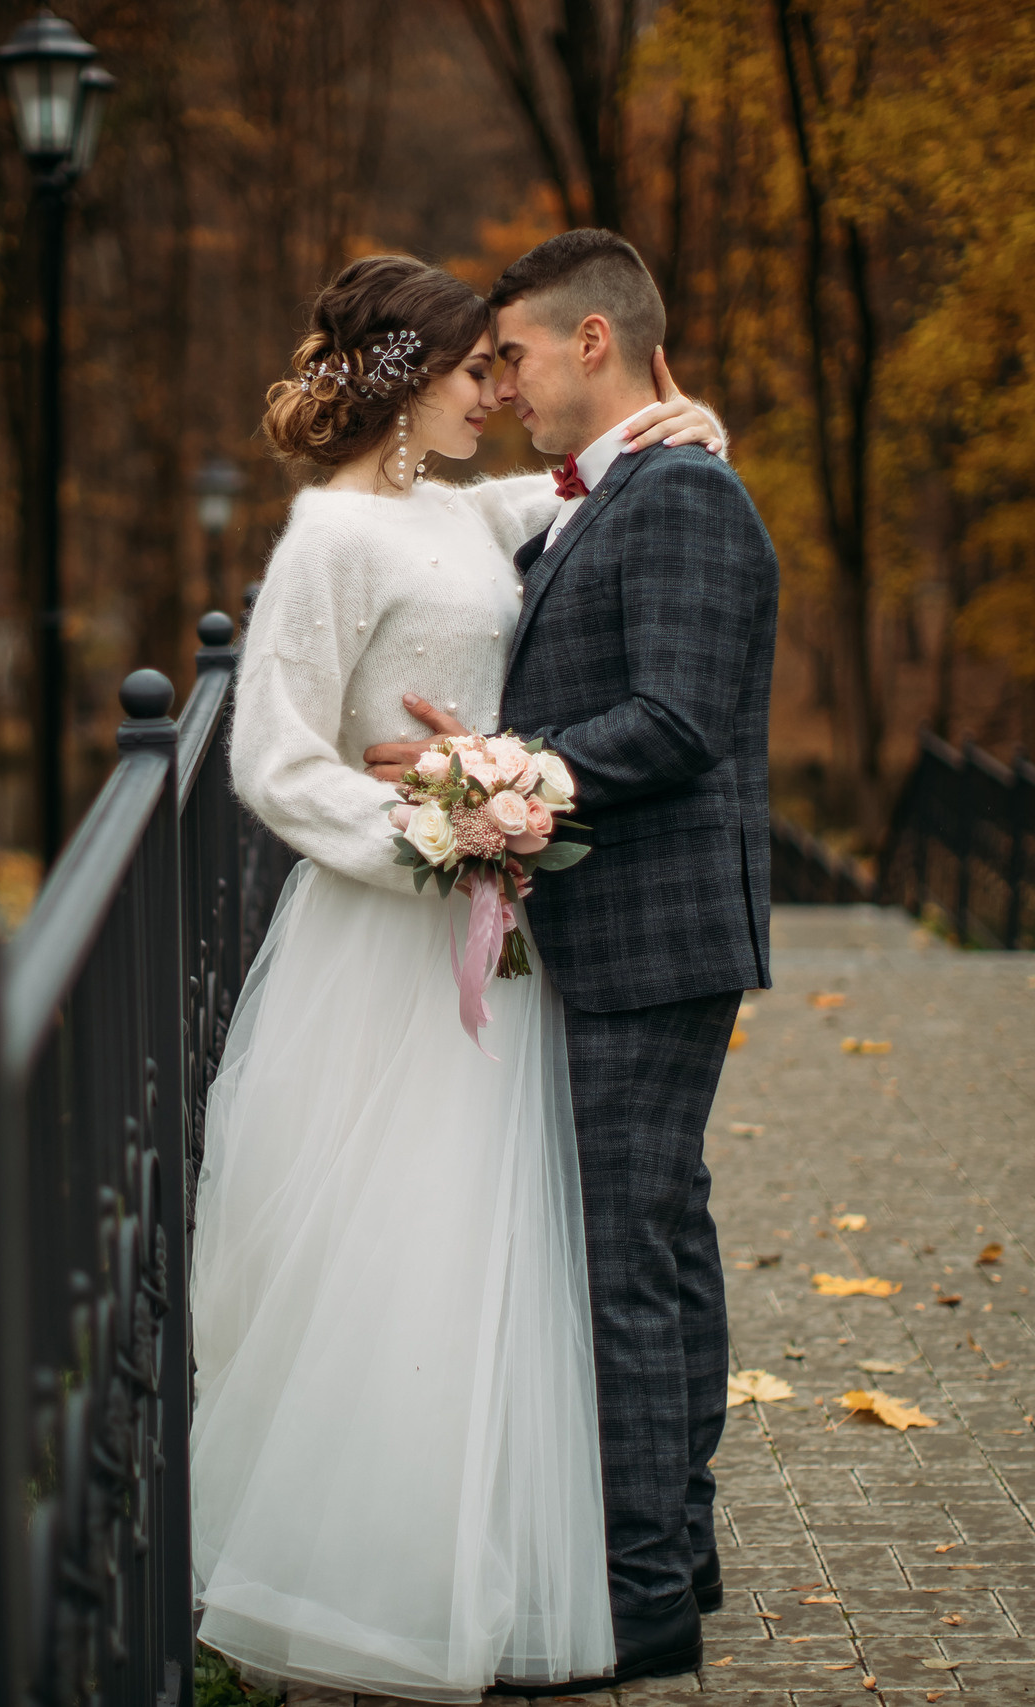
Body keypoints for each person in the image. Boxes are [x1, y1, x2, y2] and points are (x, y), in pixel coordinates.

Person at [188, 251, 729, 1703]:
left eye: (508, 365)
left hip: (506, 923)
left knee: (505, 1252)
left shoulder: (472, 513)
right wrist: (429, 835)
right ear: (410, 380)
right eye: (475, 369)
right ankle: (368, 1567)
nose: (498, 389)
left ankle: (504, 1549)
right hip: (399, 923)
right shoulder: (328, 541)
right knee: (391, 1243)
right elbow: (273, 758)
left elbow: (622, 495)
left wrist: (701, 422)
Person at [362, 229, 779, 1689]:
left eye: (521, 356)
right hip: (634, 929)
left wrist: (499, 771)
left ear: (593, 342)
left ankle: (641, 1590)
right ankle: (679, 1540)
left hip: (654, 936)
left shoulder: (682, 499)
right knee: (660, 1237)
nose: (510, 383)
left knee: (622, 1259)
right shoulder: (613, 495)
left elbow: (675, 720)